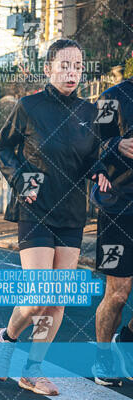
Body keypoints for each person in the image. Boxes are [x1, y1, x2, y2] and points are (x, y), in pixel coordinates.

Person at [0, 39, 111, 396]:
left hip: (72, 213)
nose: (72, 72)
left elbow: (90, 157)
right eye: (65, 65)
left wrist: (99, 170)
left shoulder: (90, 113)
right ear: (48, 68)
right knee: (38, 294)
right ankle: (7, 337)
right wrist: (21, 177)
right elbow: (3, 148)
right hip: (35, 209)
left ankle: (33, 369)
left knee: (56, 299)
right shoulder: (28, 106)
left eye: (77, 66)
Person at [90, 76, 133, 386]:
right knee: (118, 293)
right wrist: (116, 144)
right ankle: (103, 356)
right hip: (119, 207)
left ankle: (126, 340)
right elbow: (89, 145)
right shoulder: (112, 96)